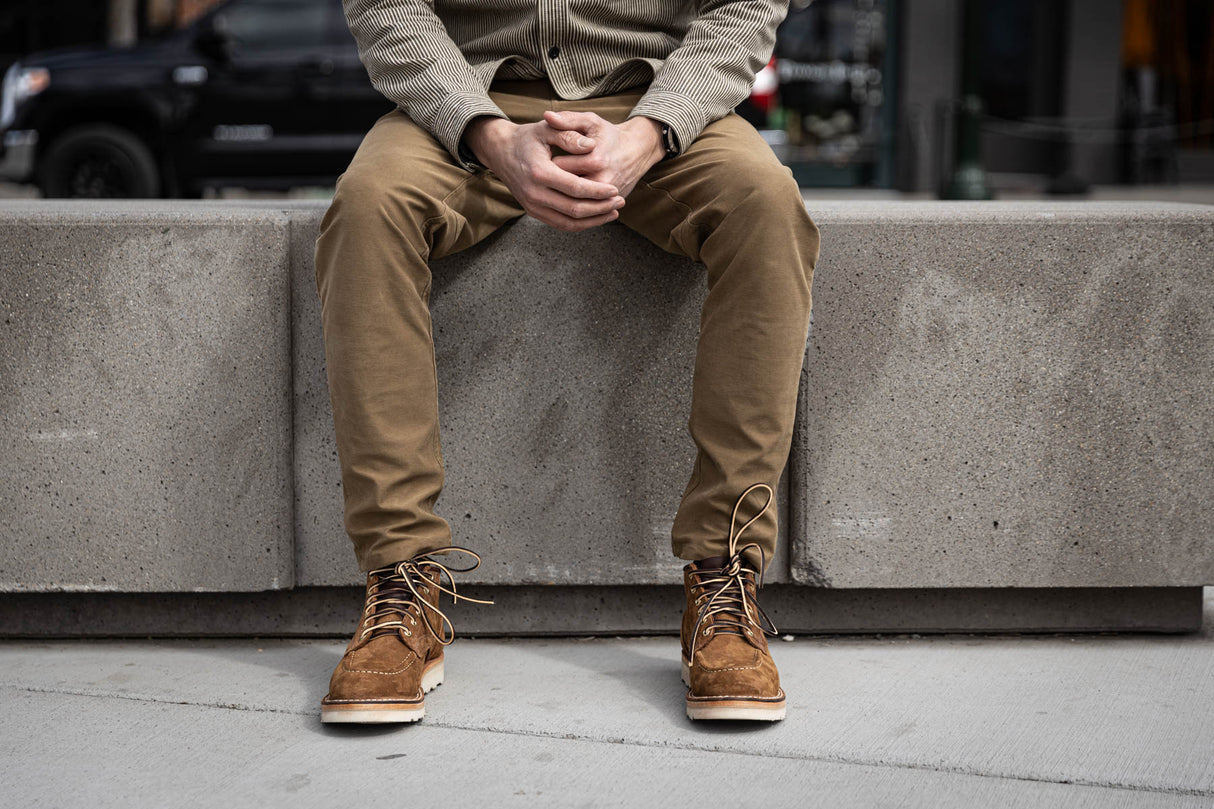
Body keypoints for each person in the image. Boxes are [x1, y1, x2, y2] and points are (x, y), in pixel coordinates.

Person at [314, 0, 820, 724]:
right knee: (367, 207)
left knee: (768, 207)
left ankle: (724, 577)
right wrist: (486, 134)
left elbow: (745, 6)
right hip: (467, 99)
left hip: (656, 99)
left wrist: (651, 132)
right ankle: (401, 585)